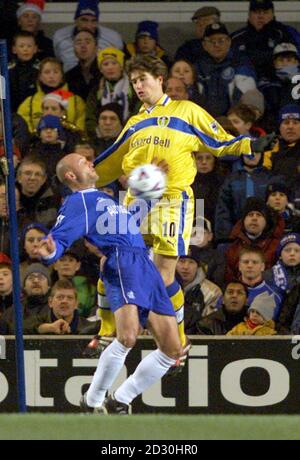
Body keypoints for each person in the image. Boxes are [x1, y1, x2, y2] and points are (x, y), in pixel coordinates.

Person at [94, 55, 275, 354]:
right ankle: (106, 330)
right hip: (135, 201)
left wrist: (249, 144)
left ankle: (177, 340)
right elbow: (111, 161)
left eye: (144, 79)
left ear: (160, 79)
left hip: (171, 200)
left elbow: (220, 142)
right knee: (110, 263)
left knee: (163, 274)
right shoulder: (135, 122)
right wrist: (80, 178)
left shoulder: (186, 112)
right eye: (135, 81)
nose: (139, 85)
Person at [35, 153, 183, 414]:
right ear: (71, 175)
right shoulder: (76, 203)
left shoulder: (102, 197)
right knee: (127, 336)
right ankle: (92, 401)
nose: (91, 163)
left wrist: (151, 182)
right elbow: (59, 238)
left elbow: (128, 219)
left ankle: (120, 399)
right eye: (83, 162)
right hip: (122, 262)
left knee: (173, 351)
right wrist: (50, 252)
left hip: (145, 264)